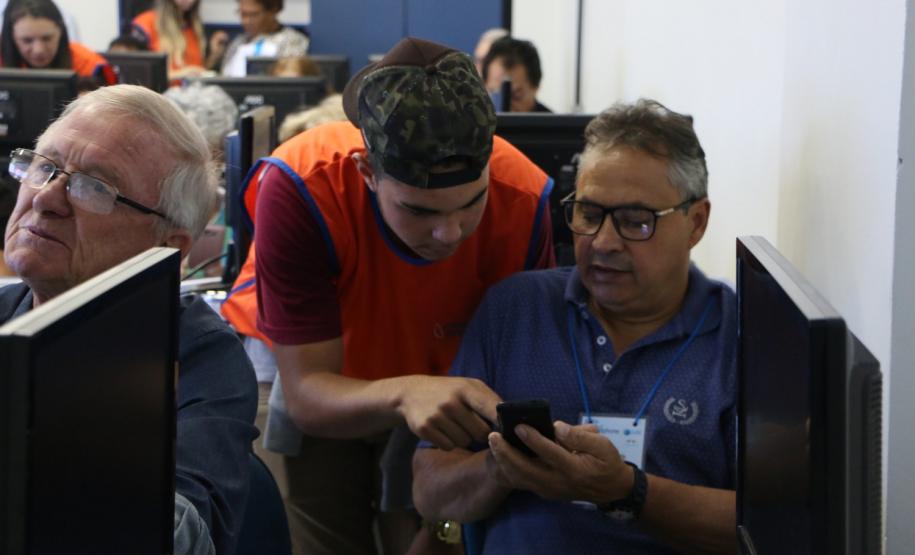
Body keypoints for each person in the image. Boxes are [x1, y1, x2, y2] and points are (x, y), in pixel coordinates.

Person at [219, 37, 555, 555]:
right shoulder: (303, 186)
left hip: (453, 396)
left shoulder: (526, 198)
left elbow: (514, 383)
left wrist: (445, 522)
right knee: (324, 534)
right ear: (367, 173)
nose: (450, 233)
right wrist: (405, 393)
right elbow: (308, 394)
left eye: (472, 202)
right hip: (333, 381)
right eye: (420, 211)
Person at [413, 99, 738, 554]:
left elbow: (776, 528)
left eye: (635, 222)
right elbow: (429, 491)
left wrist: (628, 491)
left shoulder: (741, 339)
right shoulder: (514, 309)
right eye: (588, 213)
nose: (603, 242)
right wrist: (502, 468)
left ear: (696, 223)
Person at [0, 84, 258, 555]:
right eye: (43, 166)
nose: (46, 199)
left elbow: (187, 538)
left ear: (167, 248)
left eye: (93, 187)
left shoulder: (199, 356)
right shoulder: (6, 312)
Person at [0, 0, 115, 90]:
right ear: (11, 38)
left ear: (61, 32)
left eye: (47, 38)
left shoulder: (90, 67)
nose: (39, 50)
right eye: (27, 40)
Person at [215, 0, 309, 77]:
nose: (246, 21)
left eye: (253, 15)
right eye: (243, 14)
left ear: (273, 11)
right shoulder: (238, 42)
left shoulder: (292, 41)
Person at [131, 0, 219, 79]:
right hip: (158, 91)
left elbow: (199, 71)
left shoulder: (195, 27)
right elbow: (135, 74)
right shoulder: (146, 23)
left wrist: (214, 55)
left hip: (192, 90)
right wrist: (181, 74)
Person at [482, 36, 551, 113]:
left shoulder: (553, 121)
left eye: (516, 96)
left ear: (536, 87)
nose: (503, 108)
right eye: (495, 96)